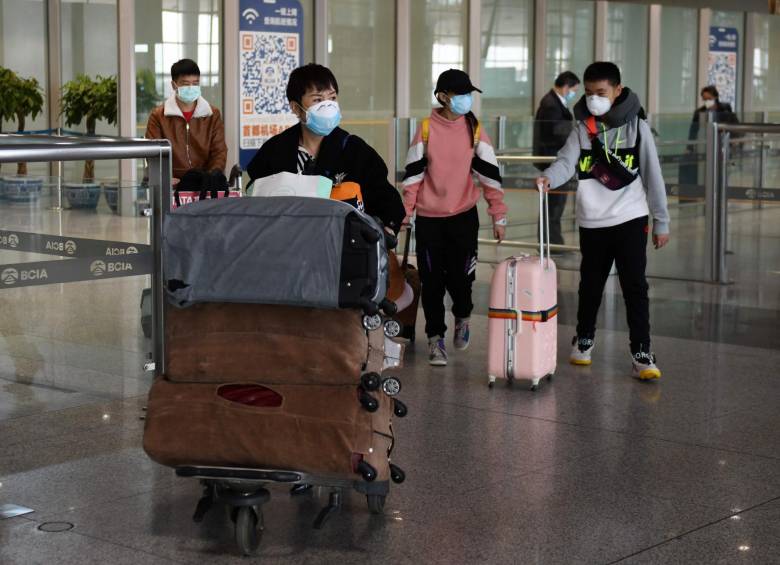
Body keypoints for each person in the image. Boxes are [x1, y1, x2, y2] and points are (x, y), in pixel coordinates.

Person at [536, 62, 670, 381]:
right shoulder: (583, 128)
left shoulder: (637, 126)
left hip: (631, 217)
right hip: (593, 221)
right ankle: (584, 339)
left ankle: (641, 351)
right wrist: (548, 178)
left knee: (635, 285)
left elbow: (653, 175)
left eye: (601, 93)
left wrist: (661, 221)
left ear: (617, 91)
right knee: (590, 284)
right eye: (589, 92)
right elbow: (566, 162)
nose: (594, 98)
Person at [402, 69, 507, 367]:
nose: (467, 99)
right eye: (461, 94)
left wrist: (498, 215)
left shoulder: (474, 130)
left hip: (463, 218)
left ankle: (463, 316)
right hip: (430, 220)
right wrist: (406, 215)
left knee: (462, 280)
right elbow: (412, 176)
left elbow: (490, 176)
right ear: (444, 97)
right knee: (432, 283)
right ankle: (436, 339)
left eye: (468, 94)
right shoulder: (425, 129)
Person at [246, 63, 405, 233]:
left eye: (332, 98)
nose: (328, 106)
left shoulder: (354, 150)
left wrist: (385, 232)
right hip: (287, 247)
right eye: (317, 100)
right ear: (295, 107)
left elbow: (388, 203)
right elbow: (256, 203)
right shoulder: (274, 151)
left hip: (341, 250)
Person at [145, 59, 227, 184]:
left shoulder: (211, 114)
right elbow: (153, 153)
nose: (191, 88)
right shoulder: (159, 116)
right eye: (185, 83)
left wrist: (210, 177)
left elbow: (219, 151)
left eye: (195, 83)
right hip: (170, 185)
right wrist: (164, 177)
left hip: (204, 185)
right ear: (174, 85)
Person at [532, 71, 580, 245]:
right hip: (552, 160)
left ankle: (554, 242)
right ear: (566, 86)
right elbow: (557, 131)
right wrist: (576, 134)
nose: (573, 94)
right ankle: (552, 243)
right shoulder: (551, 104)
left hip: (555, 158)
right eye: (574, 90)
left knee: (555, 205)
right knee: (554, 205)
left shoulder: (554, 102)